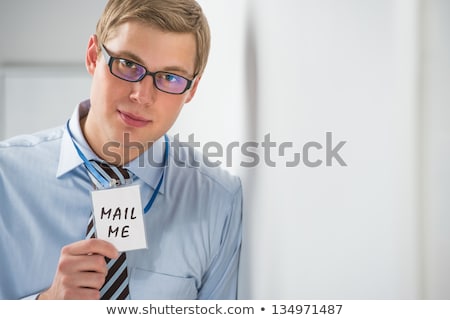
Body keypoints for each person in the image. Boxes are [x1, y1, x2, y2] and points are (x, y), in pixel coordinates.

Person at [0, 0, 243, 300]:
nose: (142, 95)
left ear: (191, 90)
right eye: (128, 64)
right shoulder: (5, 178)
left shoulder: (218, 200)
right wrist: (44, 305)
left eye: (170, 77)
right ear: (93, 56)